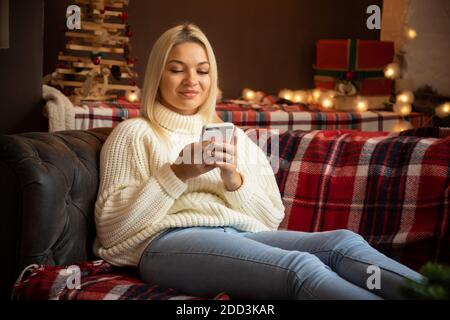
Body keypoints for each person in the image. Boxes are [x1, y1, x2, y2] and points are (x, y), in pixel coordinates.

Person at [93, 23, 423, 300]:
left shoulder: (233, 137)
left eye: (202, 71)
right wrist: (176, 174)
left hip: (238, 235)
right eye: (177, 69)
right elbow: (112, 229)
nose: (191, 80)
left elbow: (270, 216)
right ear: (157, 75)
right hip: (167, 243)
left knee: (342, 243)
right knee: (300, 269)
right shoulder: (135, 134)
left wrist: (233, 180)